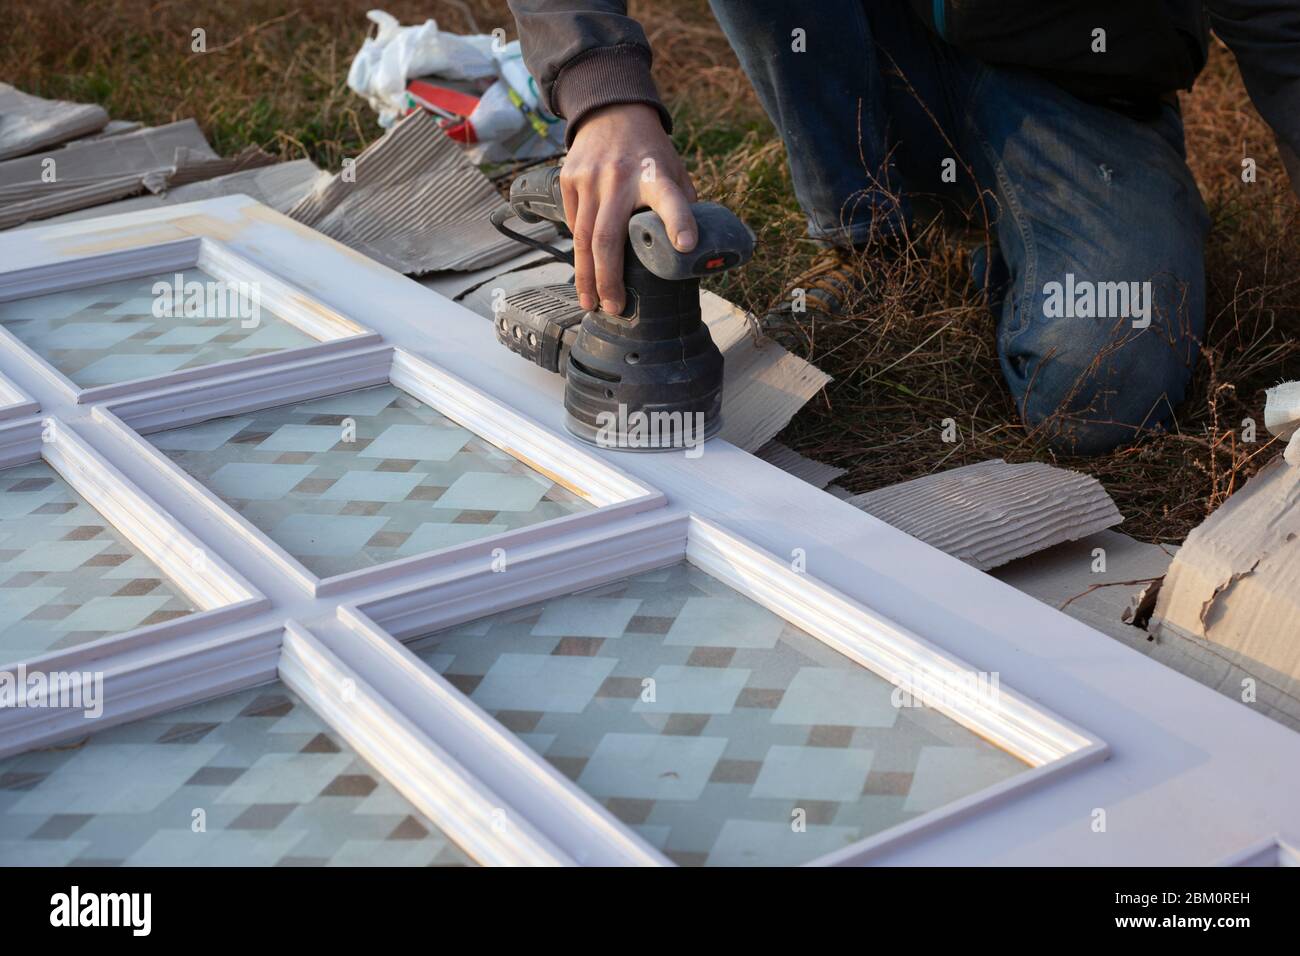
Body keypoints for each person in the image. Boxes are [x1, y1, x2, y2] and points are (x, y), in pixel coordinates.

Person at [507, 0, 1300, 454]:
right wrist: (604, 95)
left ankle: (1029, 248)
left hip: (1088, 87)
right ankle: (868, 241)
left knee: (1098, 395)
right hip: (868, 44)